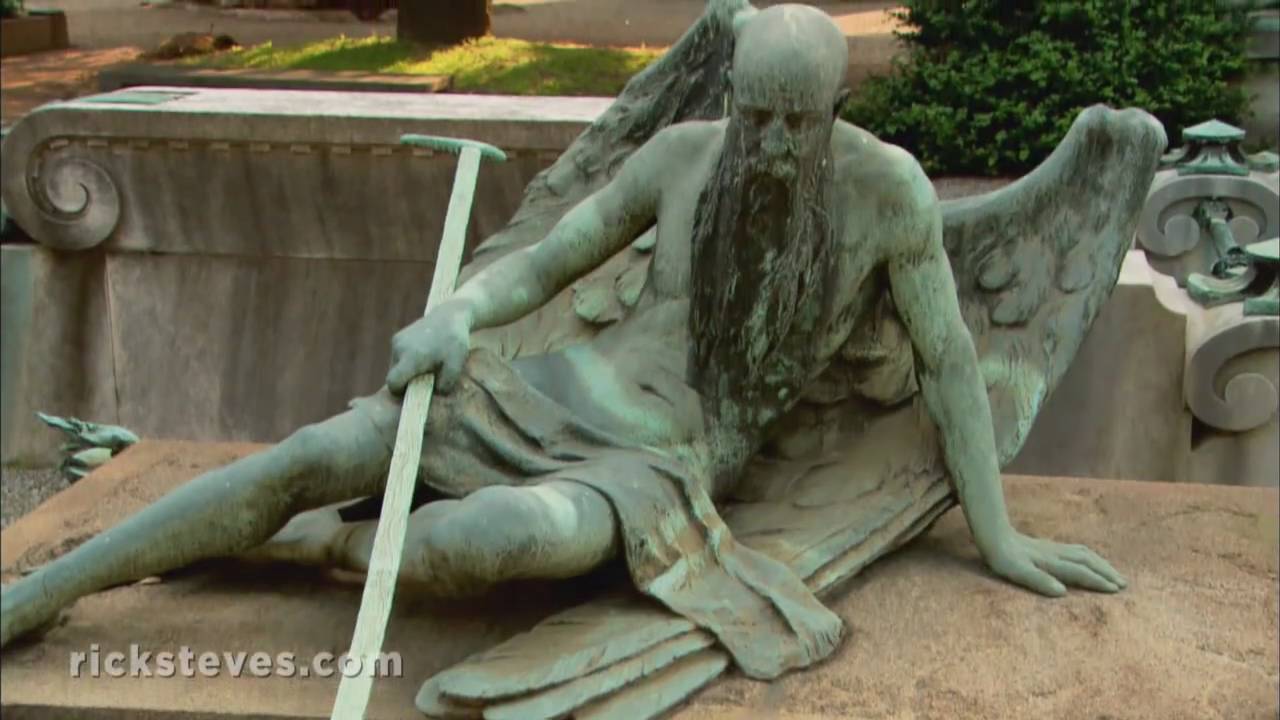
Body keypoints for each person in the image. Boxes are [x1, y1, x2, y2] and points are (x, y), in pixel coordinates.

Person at [1, 5, 1124, 676]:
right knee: (309, 456)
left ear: (834, 107)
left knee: (472, 546)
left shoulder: (889, 195)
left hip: (656, 465)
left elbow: (950, 367)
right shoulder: (680, 157)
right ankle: (45, 593)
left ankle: (280, 549)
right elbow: (548, 262)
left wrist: (997, 535)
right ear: (735, 98)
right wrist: (458, 315)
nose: (775, 145)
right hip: (546, 385)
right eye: (756, 116)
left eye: (798, 122)